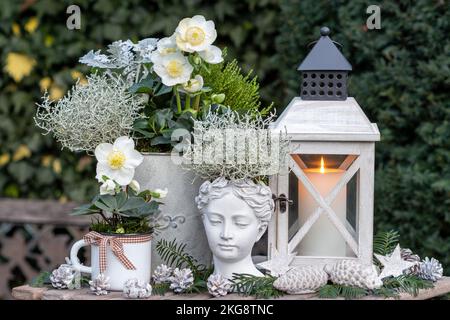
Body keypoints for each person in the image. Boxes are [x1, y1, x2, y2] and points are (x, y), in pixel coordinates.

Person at [195, 177, 274, 279]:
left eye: (240, 223)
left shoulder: (260, 289)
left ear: (261, 230)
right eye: (216, 221)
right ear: (204, 221)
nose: (226, 234)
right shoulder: (193, 285)